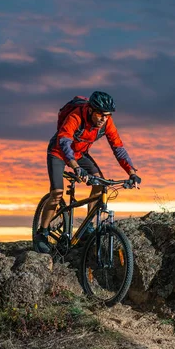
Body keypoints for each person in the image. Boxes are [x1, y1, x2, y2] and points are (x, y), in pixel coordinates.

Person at [34, 91, 141, 253]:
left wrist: (131, 172)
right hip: (58, 152)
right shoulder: (76, 117)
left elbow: (118, 147)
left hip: (80, 154)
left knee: (99, 184)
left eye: (107, 115)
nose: (104, 118)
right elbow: (64, 142)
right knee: (56, 192)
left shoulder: (107, 123)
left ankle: (87, 228)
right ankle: (42, 232)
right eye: (100, 114)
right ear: (90, 110)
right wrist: (75, 167)